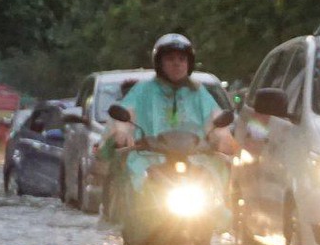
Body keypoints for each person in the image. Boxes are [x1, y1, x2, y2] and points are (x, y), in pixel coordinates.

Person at [102, 33, 237, 215]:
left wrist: (223, 140)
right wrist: (122, 133)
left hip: (194, 160)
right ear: (160, 63)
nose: (177, 63)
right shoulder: (143, 91)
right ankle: (138, 222)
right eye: (170, 58)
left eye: (182, 59)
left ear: (189, 63)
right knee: (135, 184)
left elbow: (216, 121)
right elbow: (124, 117)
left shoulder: (199, 93)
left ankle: (211, 221)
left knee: (213, 179)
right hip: (148, 158)